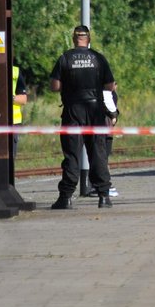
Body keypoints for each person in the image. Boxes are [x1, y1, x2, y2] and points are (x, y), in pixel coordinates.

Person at [49, 25, 116, 210]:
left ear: (73, 38)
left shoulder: (65, 58)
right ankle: (103, 196)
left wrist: (70, 86)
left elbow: (54, 86)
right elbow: (110, 85)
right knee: (98, 153)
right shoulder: (98, 58)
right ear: (88, 38)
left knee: (72, 154)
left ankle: (66, 197)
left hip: (73, 110)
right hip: (95, 110)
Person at [85, 88, 120, 198]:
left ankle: (100, 185)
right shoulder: (106, 91)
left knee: (99, 157)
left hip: (101, 127)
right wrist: (114, 115)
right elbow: (110, 105)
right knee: (101, 157)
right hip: (104, 127)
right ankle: (101, 186)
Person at [11, 65, 28, 158]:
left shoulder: (15, 71)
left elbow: (23, 99)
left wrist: (9, 98)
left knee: (10, 157)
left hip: (13, 122)